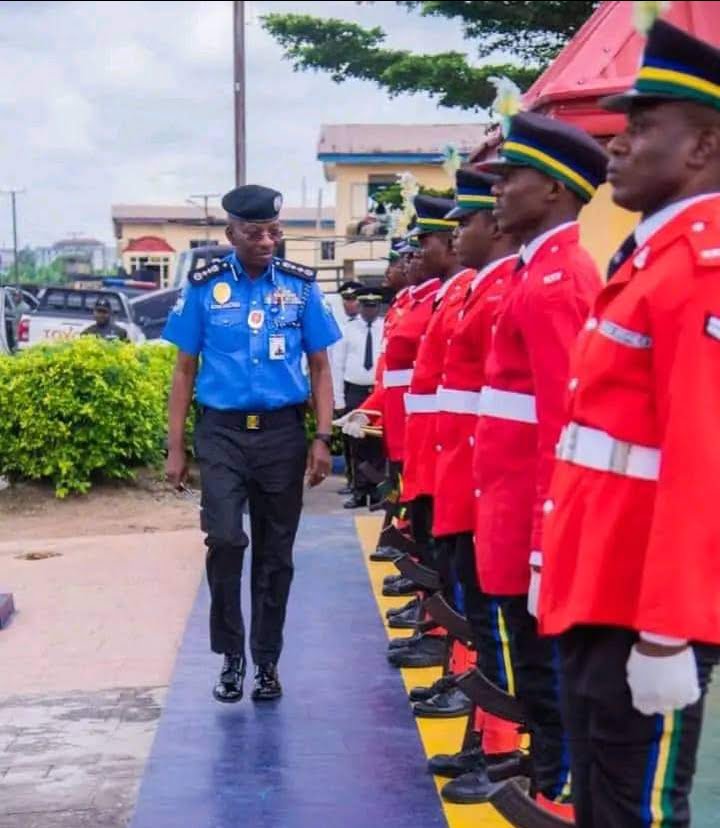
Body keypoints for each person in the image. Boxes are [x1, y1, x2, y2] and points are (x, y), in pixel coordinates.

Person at [539, 20, 720, 827]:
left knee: (638, 807)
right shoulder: (652, 257)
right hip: (601, 575)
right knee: (604, 797)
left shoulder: (702, 270)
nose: (617, 144)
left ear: (703, 148)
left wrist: (669, 630)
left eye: (643, 127)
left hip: (646, 599)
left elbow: (704, 458)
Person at [470, 112, 607, 814]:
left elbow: (565, 423)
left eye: (512, 178)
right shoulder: (537, 272)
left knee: (547, 671)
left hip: (533, 507)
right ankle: (546, 777)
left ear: (553, 189)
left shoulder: (559, 282)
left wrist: (545, 542)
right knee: (529, 663)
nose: (499, 193)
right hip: (508, 498)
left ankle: (557, 790)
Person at [162, 184, 340, 704]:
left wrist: (323, 438)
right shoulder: (204, 287)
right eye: (254, 232)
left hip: (283, 435)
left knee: (275, 554)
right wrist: (176, 447)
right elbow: (184, 369)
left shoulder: (300, 288)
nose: (266, 240)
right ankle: (231, 654)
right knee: (224, 539)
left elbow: (321, 366)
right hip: (221, 433)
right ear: (230, 234)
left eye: (273, 231)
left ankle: (266, 662)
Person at [334, 286, 385, 508]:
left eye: (374, 306)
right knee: (355, 444)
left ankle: (375, 491)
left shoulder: (385, 328)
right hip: (354, 390)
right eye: (366, 306)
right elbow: (337, 365)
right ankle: (358, 490)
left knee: (378, 444)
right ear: (361, 307)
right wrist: (339, 400)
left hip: (377, 392)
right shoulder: (348, 330)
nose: (370, 310)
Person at [330, 280, 364, 495]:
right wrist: (338, 397)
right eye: (346, 300)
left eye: (353, 300)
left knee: (371, 442)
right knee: (350, 440)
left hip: (369, 389)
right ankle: (353, 481)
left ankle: (370, 484)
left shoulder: (377, 323)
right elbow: (336, 364)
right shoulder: (339, 325)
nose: (349, 304)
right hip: (350, 388)